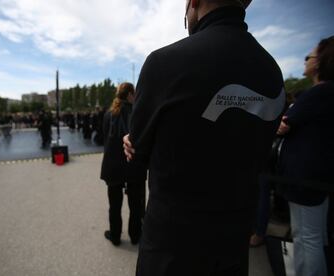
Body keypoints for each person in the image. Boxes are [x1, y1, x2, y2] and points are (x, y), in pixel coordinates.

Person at [123, 0, 286, 275]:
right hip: (232, 244)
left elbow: (136, 158)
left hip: (171, 248)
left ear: (193, 3)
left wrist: (134, 144)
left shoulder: (165, 62)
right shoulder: (272, 72)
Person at [276, 36, 334, 276]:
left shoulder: (318, 93)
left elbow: (283, 125)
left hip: (304, 178)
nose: (305, 60)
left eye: (308, 56)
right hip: (319, 176)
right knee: (316, 236)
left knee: (306, 238)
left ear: (321, 62)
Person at [100, 83, 147, 246]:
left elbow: (105, 140)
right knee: (135, 205)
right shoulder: (137, 113)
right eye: (134, 94)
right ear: (129, 95)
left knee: (114, 205)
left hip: (113, 166)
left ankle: (115, 236)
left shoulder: (108, 114)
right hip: (133, 164)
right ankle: (135, 235)